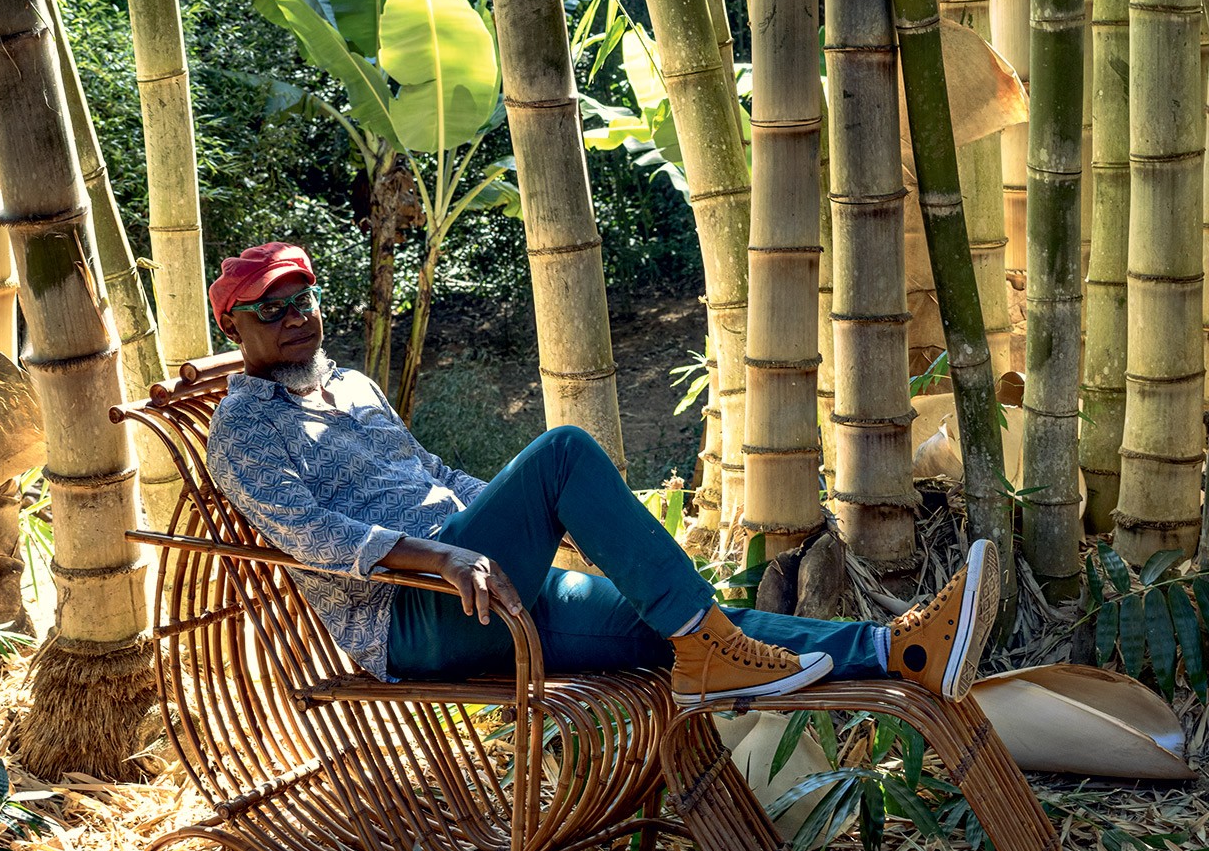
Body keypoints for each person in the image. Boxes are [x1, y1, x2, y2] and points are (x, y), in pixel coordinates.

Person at [204, 242, 999, 708]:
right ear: (232, 325)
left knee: (687, 624)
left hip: (488, 578)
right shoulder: (242, 425)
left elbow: (435, 470)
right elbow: (307, 533)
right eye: (269, 310)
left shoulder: (351, 385)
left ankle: (897, 651)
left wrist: (526, 527)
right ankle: (712, 645)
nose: (295, 316)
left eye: (302, 297)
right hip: (410, 611)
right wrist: (448, 555)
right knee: (563, 452)